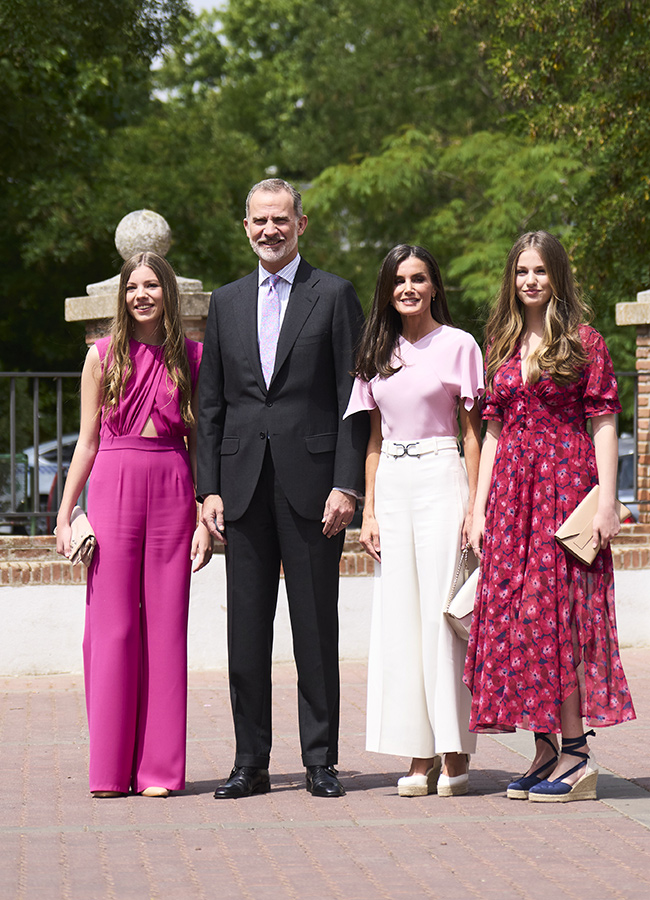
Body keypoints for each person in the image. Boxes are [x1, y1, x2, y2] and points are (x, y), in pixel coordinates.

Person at [197, 178, 368, 799]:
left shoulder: (334, 295)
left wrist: (348, 484)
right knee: (246, 632)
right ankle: (251, 762)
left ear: (302, 224)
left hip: (315, 488)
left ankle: (320, 759)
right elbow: (210, 404)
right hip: (240, 490)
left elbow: (356, 400)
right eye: (259, 220)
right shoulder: (227, 301)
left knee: (315, 629)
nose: (269, 230)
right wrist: (207, 490)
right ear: (246, 227)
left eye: (280, 219)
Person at [464, 230, 636, 802]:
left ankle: (578, 754)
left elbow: (605, 421)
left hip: (566, 490)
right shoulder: (502, 340)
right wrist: (478, 506)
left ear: (557, 276)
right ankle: (544, 748)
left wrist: (608, 499)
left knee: (559, 622)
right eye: (520, 272)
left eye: (539, 271)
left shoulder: (585, 342)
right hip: (512, 498)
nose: (529, 281)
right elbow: (491, 430)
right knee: (518, 621)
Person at [56, 251, 212, 798]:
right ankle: (110, 771)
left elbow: (199, 443)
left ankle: (159, 771)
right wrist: (65, 512)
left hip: (172, 486)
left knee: (166, 628)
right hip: (114, 485)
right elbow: (88, 441)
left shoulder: (193, 358)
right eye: (132, 287)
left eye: (151, 285)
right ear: (122, 296)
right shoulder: (101, 357)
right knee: (113, 627)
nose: (141, 294)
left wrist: (201, 515)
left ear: (168, 292)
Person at [344, 244, 483, 797]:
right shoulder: (376, 349)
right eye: (399, 279)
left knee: (440, 617)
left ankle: (454, 751)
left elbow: (473, 434)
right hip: (394, 486)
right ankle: (416, 754)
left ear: (433, 286)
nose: (408, 288)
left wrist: (476, 507)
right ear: (387, 288)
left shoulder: (460, 345)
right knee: (400, 620)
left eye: (418, 278)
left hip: (442, 477)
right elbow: (374, 438)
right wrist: (369, 509)